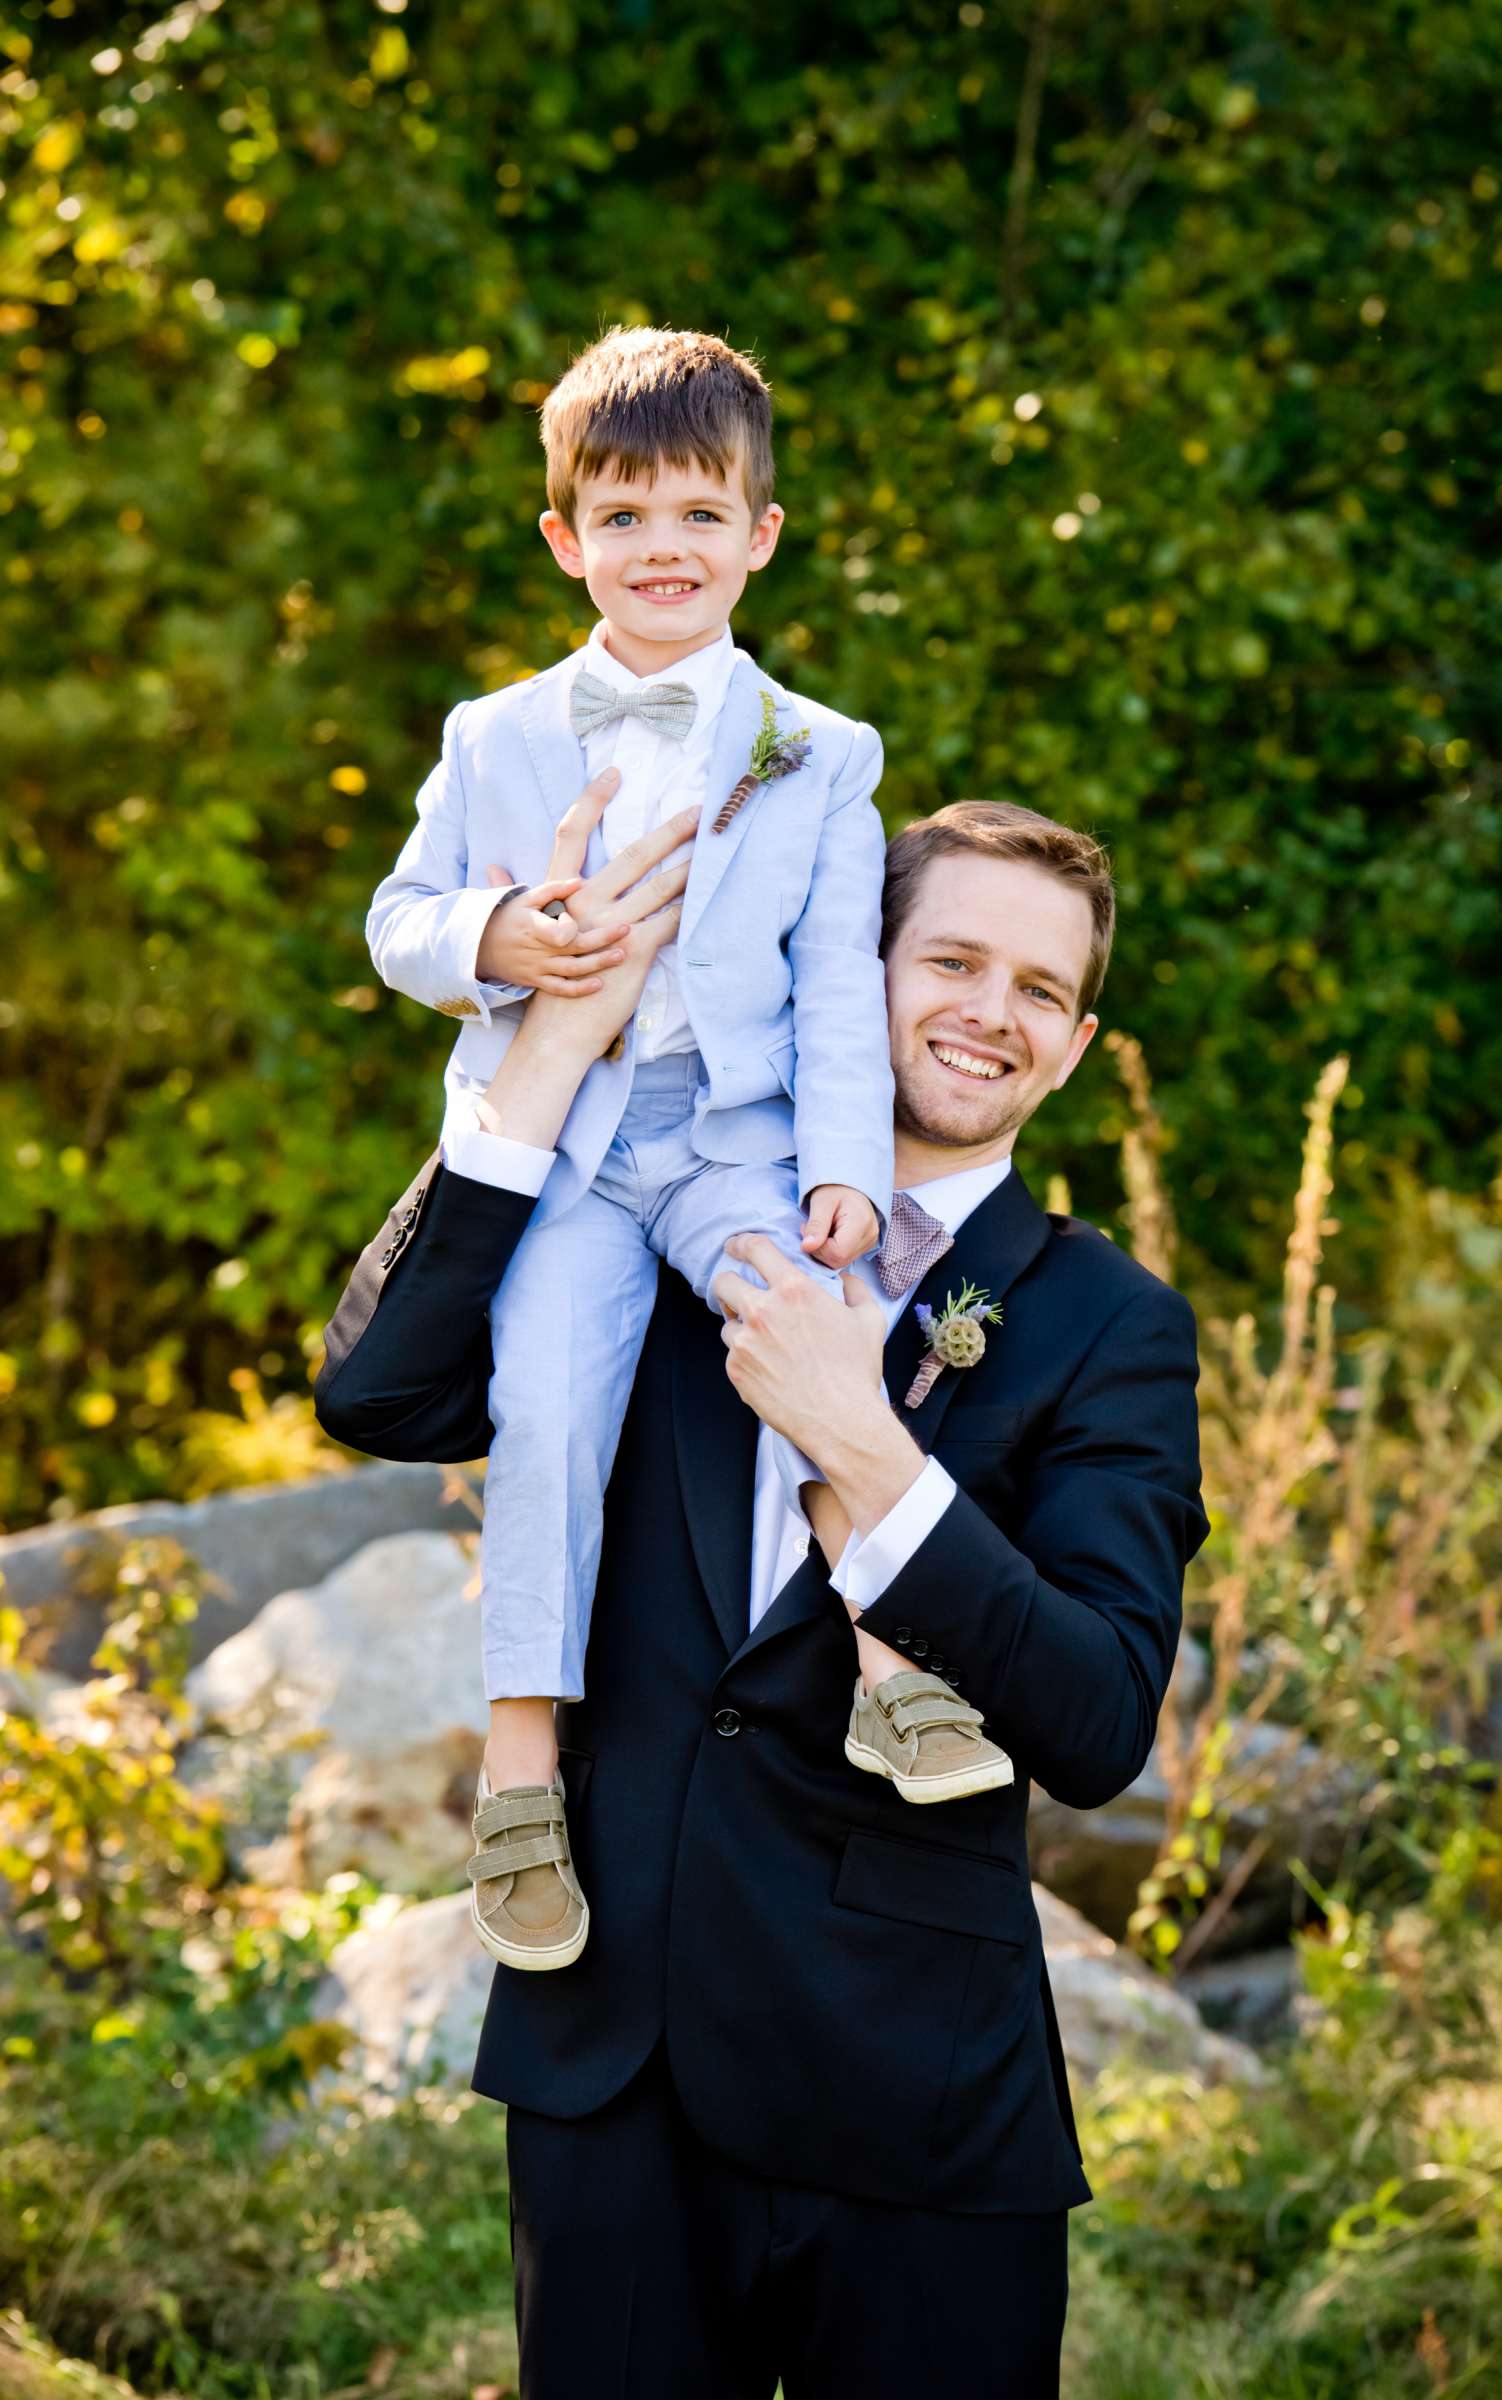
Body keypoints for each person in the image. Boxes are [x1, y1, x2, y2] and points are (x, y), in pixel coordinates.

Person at [315, 794, 1208, 2399]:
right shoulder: (651, 1217)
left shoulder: (1103, 1325)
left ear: (1074, 1045)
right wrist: (549, 1055)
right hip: (615, 2070)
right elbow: (380, 1392)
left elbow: (1093, 1718)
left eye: (1038, 990)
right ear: (849, 971)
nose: (989, 1013)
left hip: (920, 2091)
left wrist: (869, 1452)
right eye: (949, 959)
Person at [360, 326, 1008, 1975]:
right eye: (626, 516)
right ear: (567, 538)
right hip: (565, 1145)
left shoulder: (821, 749)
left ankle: (889, 1665)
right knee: (548, 1406)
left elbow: (832, 995)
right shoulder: (490, 736)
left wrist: (845, 1163)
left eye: (701, 515)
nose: (666, 550)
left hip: (729, 1136)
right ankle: (521, 1771)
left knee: (814, 1334)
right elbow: (401, 922)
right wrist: (507, 934)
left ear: (760, 537)